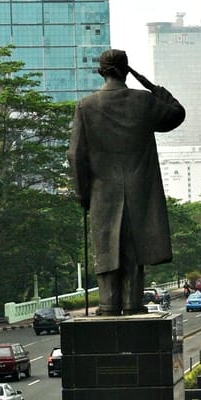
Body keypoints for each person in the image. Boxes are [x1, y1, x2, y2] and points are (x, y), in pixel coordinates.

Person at [68, 49, 186, 316]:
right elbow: (177, 113)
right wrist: (152, 86)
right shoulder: (143, 102)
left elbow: (76, 154)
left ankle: (108, 305)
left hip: (102, 192)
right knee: (133, 251)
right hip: (138, 190)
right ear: (126, 70)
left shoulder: (86, 106)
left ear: (101, 71)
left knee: (106, 249)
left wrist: (82, 193)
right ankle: (133, 303)